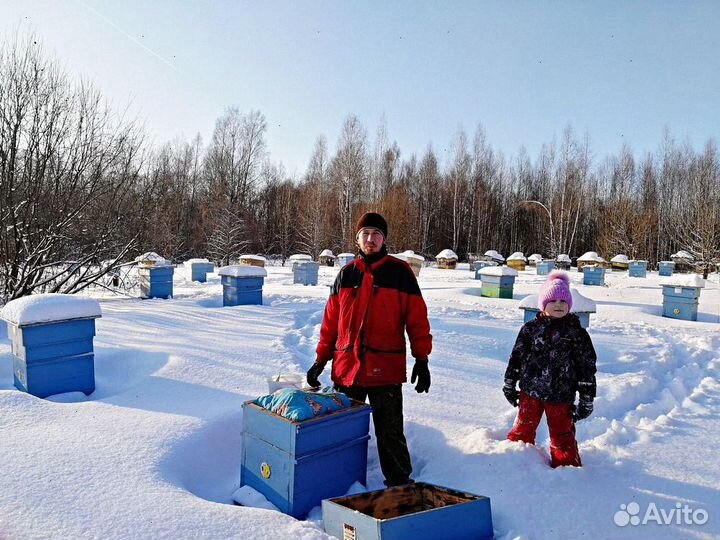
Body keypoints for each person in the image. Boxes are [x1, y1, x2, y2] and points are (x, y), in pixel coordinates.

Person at [306, 212, 432, 487]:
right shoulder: (346, 273)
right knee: (342, 432)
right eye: (366, 234)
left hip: (384, 369)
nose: (371, 239)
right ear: (357, 239)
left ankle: (400, 484)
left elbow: (417, 318)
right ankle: (339, 482)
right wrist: (320, 359)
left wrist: (421, 358)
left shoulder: (400, 272)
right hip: (347, 369)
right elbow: (330, 322)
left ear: (384, 239)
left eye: (376, 234)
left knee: (390, 432)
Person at [502, 270, 597, 467]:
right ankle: (514, 462)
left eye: (563, 301)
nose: (559, 305)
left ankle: (567, 469)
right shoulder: (530, 329)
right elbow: (516, 357)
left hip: (561, 396)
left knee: (563, 437)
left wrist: (587, 397)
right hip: (530, 392)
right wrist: (510, 383)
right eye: (553, 301)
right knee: (522, 430)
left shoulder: (576, 334)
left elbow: (586, 367)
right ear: (543, 305)